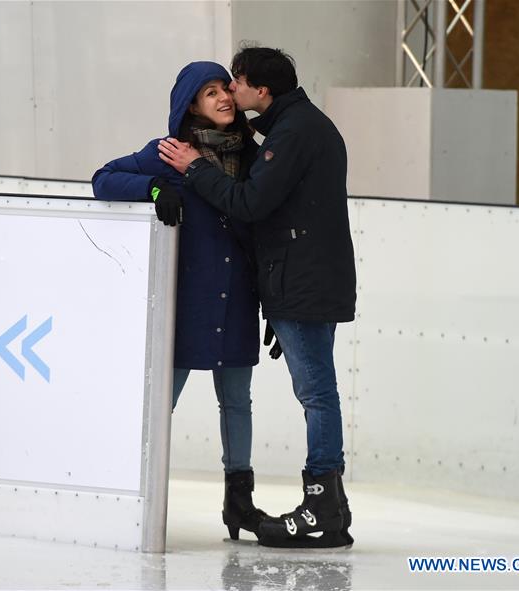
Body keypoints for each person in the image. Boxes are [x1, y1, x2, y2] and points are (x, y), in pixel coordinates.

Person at [158, 47, 356, 549]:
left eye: (236, 83)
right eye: (217, 89)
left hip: (302, 284)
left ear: (260, 91)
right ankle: (328, 505)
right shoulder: (297, 128)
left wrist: (195, 171)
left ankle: (322, 507)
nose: (230, 93)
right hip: (294, 283)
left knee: (315, 395)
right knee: (314, 393)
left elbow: (248, 204)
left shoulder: (290, 134)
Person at [92, 61, 268, 541]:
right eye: (210, 93)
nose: (223, 99)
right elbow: (103, 178)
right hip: (185, 303)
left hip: (237, 298)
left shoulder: (254, 157)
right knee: (161, 401)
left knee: (237, 401)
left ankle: (240, 503)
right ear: (191, 104)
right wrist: (155, 187)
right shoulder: (169, 153)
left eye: (225, 89)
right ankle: (133, 491)